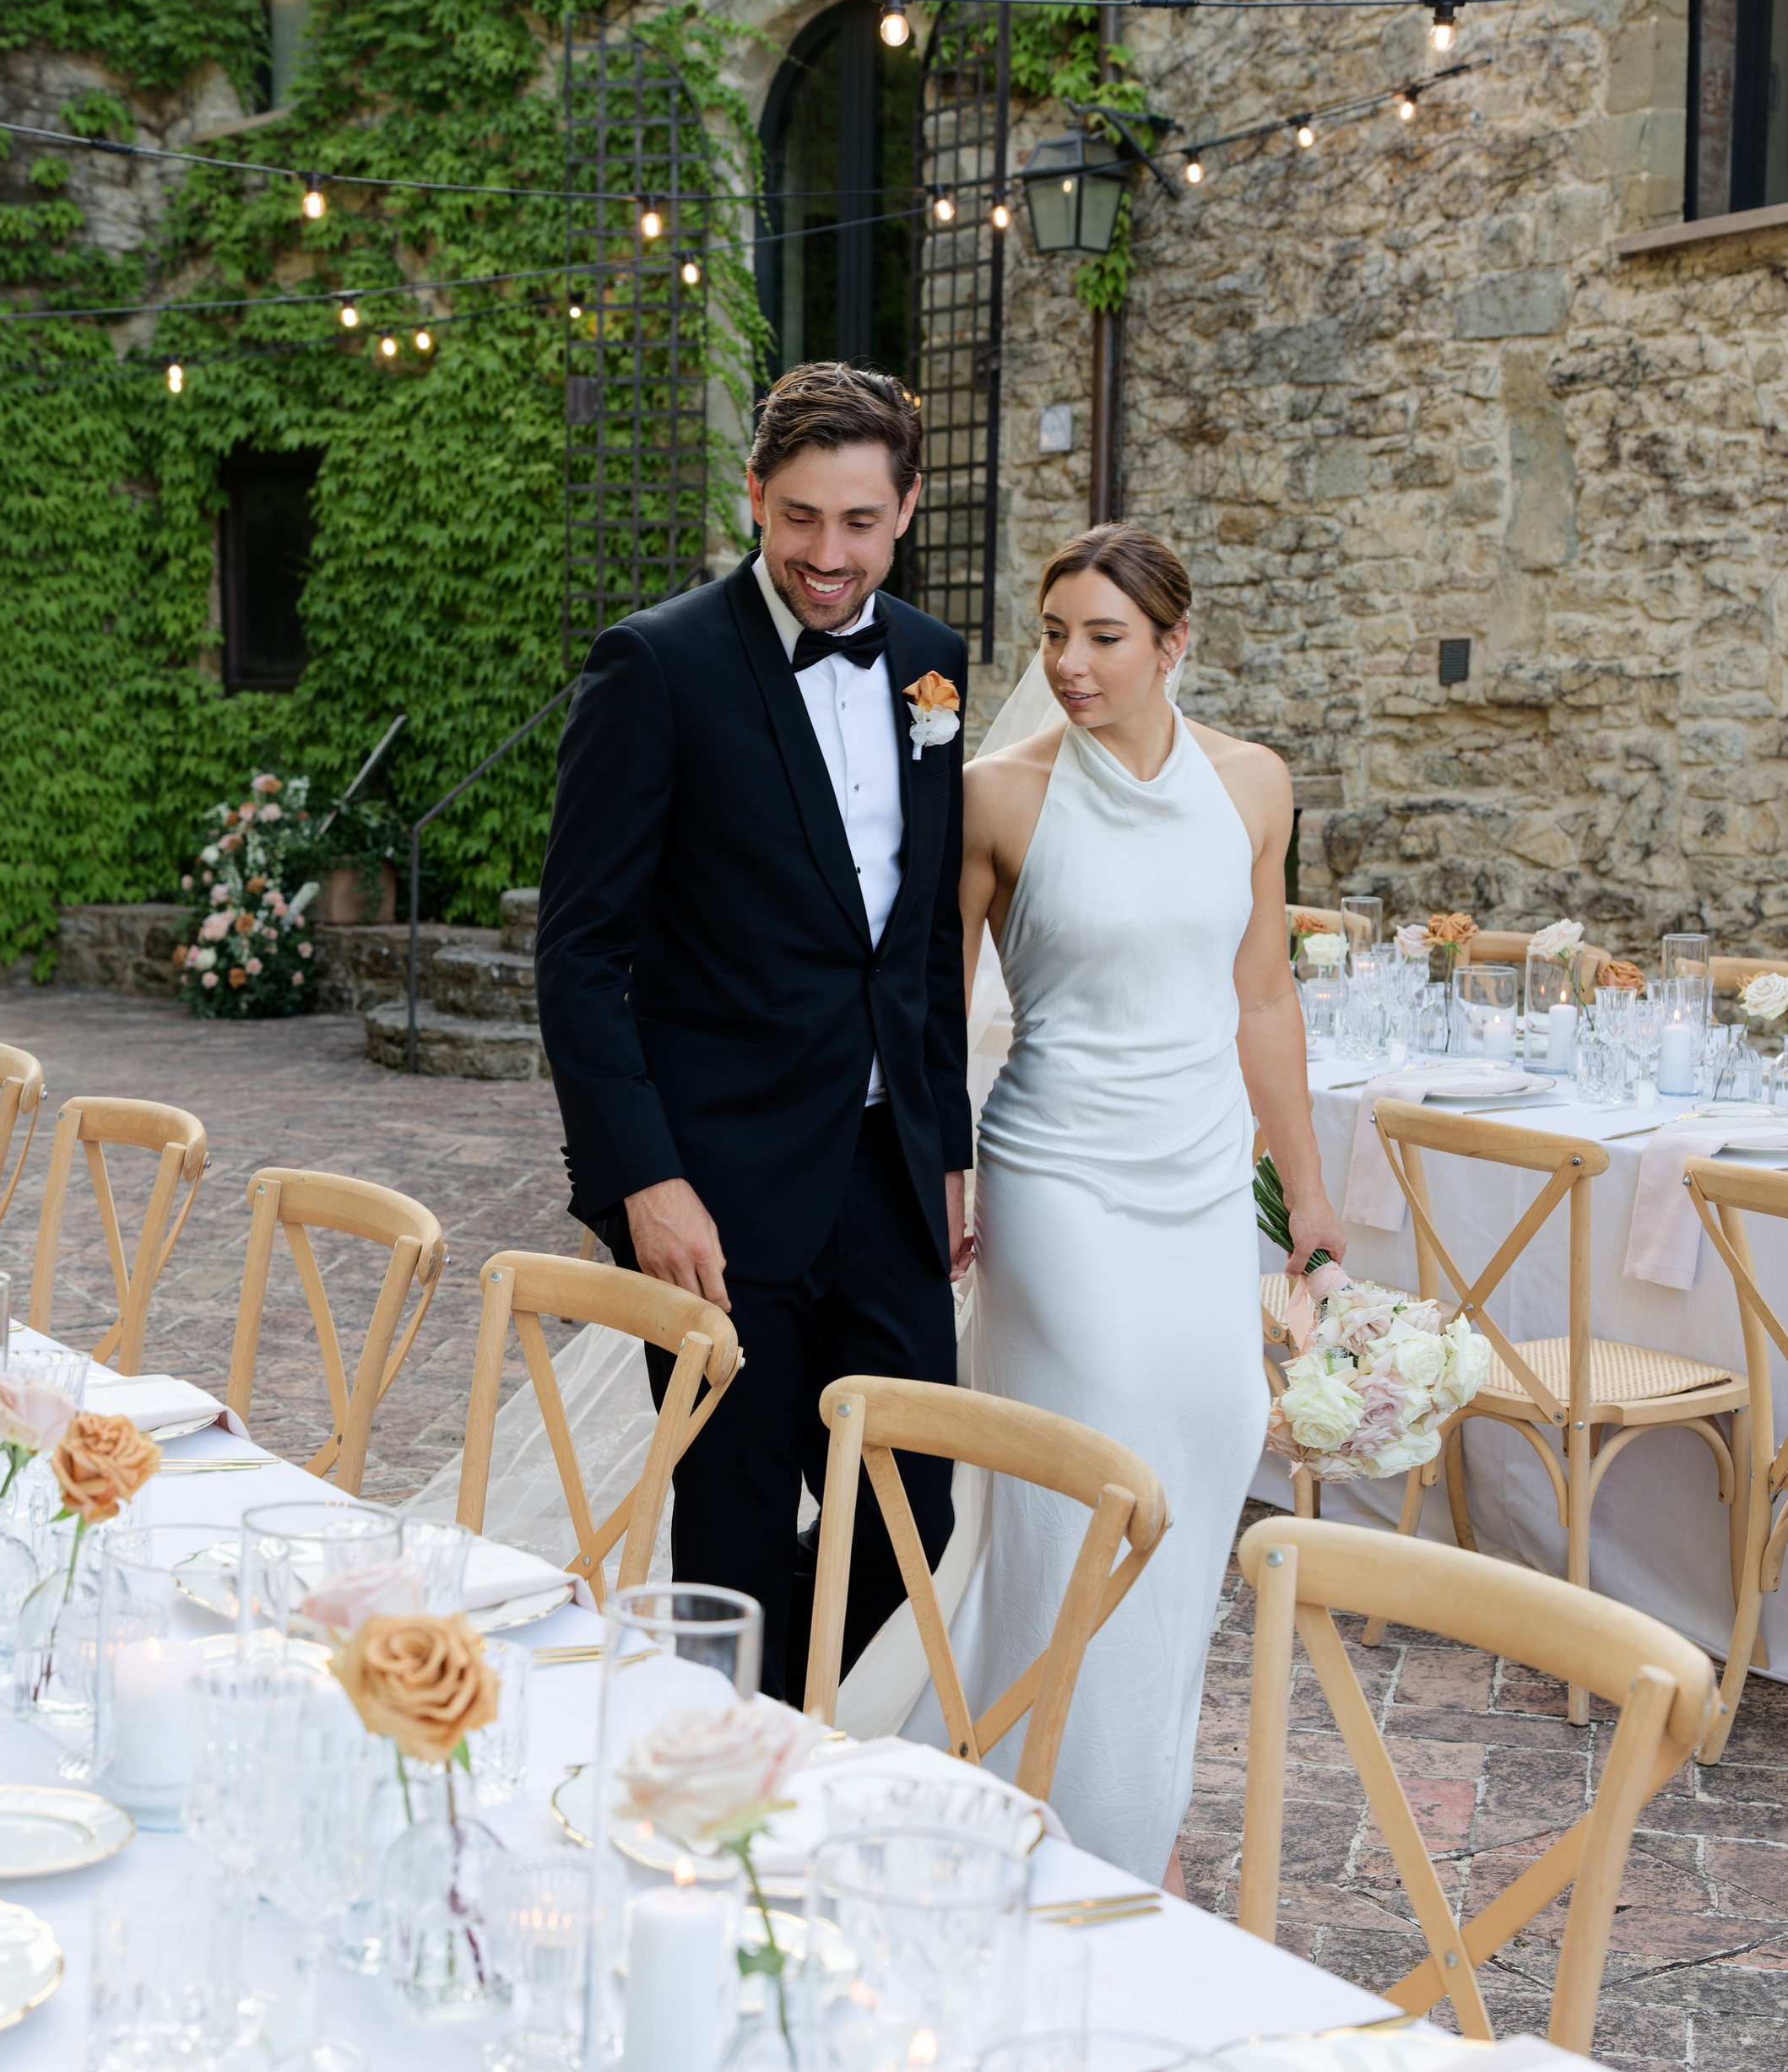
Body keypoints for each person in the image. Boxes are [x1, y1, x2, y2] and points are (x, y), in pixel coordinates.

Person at [534, 361, 973, 1702]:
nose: (825, 556)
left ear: (906, 508)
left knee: (914, 1518)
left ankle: (778, 1733)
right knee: (727, 1538)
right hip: (716, 1190)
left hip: (886, 1176)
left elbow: (918, 950)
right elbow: (580, 955)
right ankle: (728, 1807)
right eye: (798, 520)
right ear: (755, 498)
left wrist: (944, 1145)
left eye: (856, 523)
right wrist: (644, 1182)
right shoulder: (655, 665)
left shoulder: (933, 668)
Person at [939, 522, 1346, 1880]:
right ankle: (1033, 1818)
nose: (1068, 663)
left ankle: (1131, 1817)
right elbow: (935, 1019)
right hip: (1057, 1179)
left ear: (1176, 646)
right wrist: (948, 1173)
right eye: (1053, 634)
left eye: (1103, 638)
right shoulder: (999, 794)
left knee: (1215, 1443)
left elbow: (1263, 998)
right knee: (1091, 1486)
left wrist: (1308, 1193)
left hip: (1200, 1184)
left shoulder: (1253, 787)